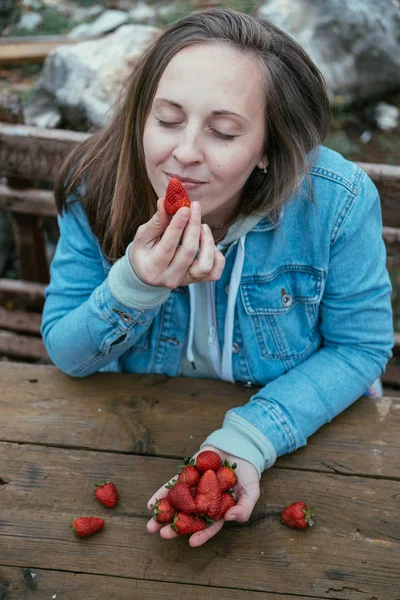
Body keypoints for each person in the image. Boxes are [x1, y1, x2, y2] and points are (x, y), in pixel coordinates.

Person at [41, 8, 394, 547]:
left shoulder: (337, 201)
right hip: (135, 432)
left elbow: (359, 348)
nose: (183, 154)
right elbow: (66, 352)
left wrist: (251, 438)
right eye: (166, 119)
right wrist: (136, 285)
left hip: (309, 432)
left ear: (269, 149)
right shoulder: (97, 187)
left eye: (223, 131)